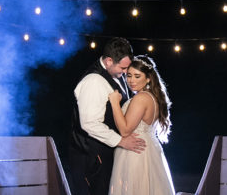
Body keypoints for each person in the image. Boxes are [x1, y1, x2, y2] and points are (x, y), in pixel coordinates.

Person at [69, 37, 147, 195]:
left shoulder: (116, 75)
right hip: (90, 157)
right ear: (110, 61)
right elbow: (90, 123)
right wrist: (121, 141)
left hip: (104, 155)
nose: (126, 73)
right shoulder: (94, 81)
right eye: (123, 68)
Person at [107, 55, 175, 195]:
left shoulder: (141, 98)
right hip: (147, 149)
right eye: (129, 75)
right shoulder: (152, 97)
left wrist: (114, 103)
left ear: (148, 78)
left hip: (136, 152)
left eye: (137, 76)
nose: (131, 80)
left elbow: (125, 131)